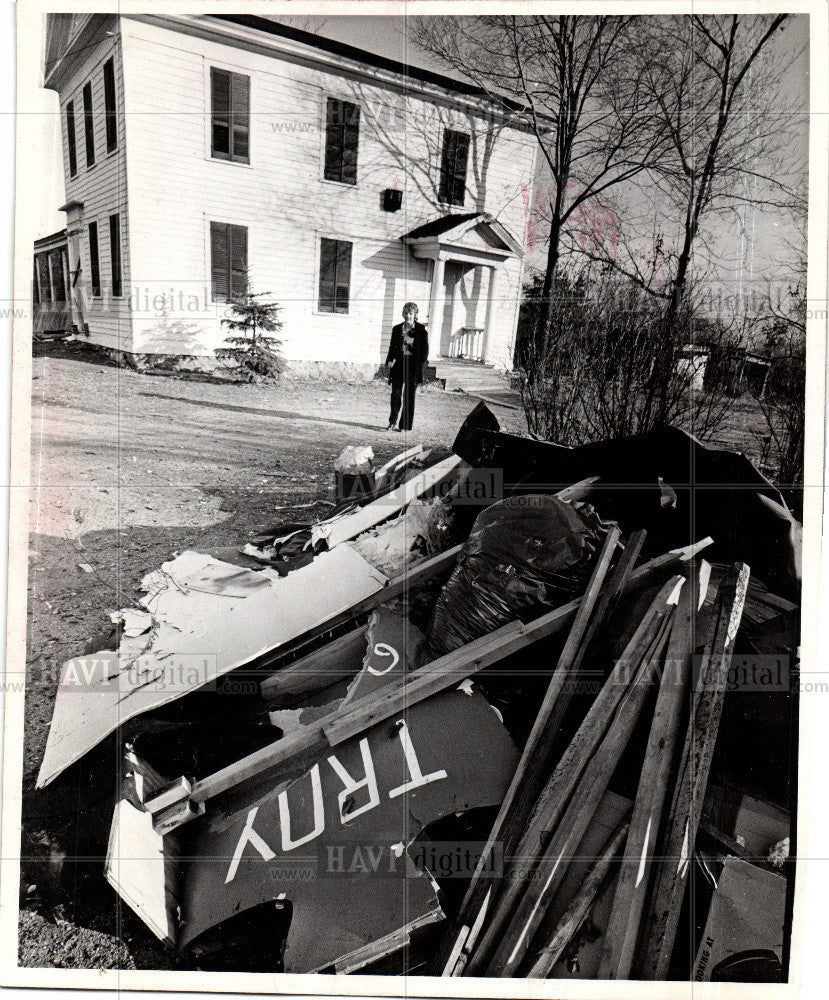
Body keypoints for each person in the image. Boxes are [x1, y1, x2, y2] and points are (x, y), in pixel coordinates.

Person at [385, 302, 429, 432]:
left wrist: (420, 365)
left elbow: (425, 351)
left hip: (413, 366)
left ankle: (405, 426)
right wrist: (389, 360)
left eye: (411, 313)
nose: (408, 316)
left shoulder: (421, 330)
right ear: (403, 314)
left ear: (415, 315)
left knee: (409, 395)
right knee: (396, 394)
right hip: (399, 364)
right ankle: (392, 422)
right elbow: (392, 347)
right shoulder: (397, 329)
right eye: (406, 313)